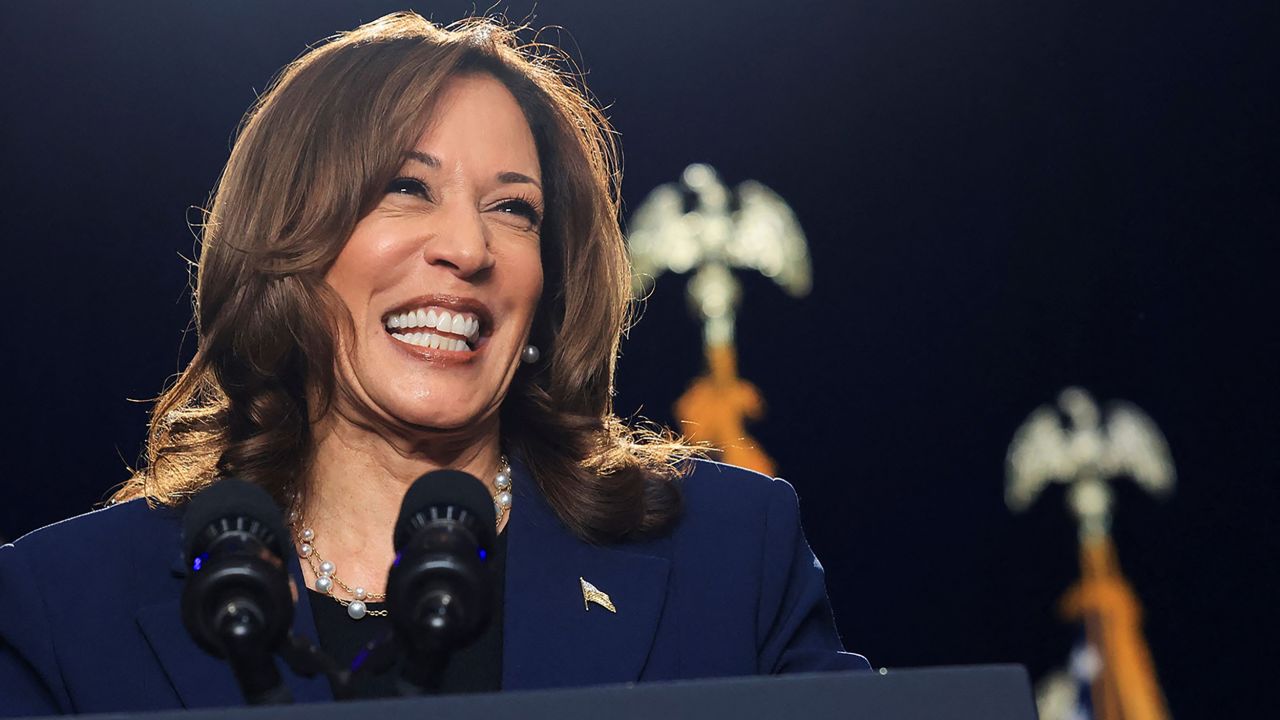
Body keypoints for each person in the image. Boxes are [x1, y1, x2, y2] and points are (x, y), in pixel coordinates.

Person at [0, 12, 868, 715]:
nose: (468, 246)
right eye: (406, 188)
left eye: (514, 208)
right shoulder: (63, 609)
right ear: (285, 244)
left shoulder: (728, 556)